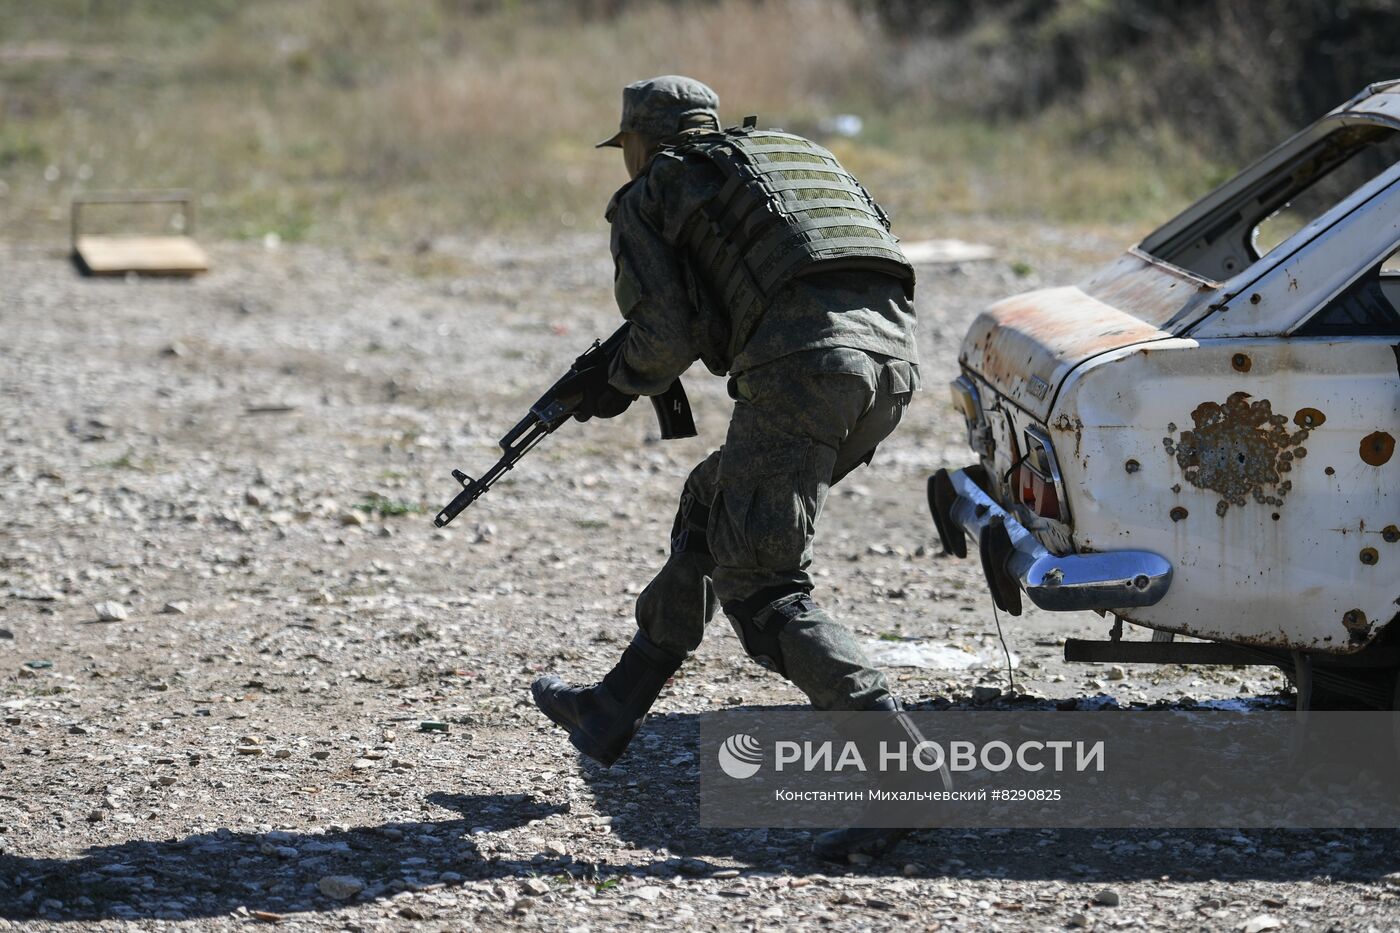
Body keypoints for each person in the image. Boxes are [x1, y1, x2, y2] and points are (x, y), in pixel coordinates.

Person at [531, 75, 926, 861]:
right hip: (892, 366)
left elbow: (665, 335)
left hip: (804, 370)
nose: (626, 164)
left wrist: (617, 382)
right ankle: (615, 704)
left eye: (627, 150)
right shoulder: (784, 159)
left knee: (762, 580)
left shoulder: (655, 192)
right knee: (717, 500)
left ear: (642, 142)